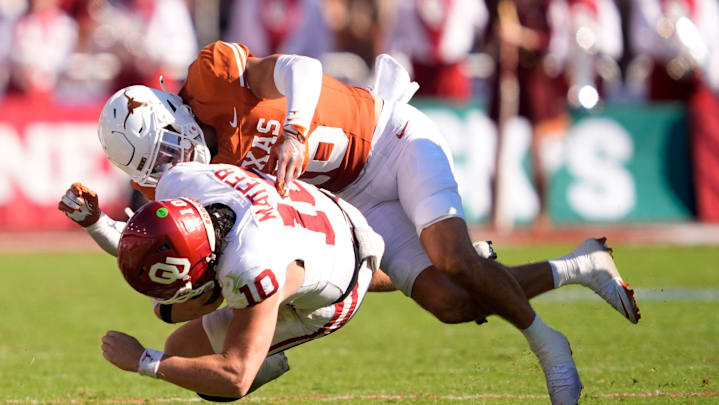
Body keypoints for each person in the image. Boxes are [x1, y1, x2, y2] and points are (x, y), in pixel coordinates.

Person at [60, 41, 640, 404]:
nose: (169, 167)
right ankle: (578, 266)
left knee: (454, 258)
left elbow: (303, 70)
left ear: (168, 117)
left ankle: (551, 349)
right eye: (154, 169)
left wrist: (292, 131)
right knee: (451, 301)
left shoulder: (212, 79)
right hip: (351, 201)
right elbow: (157, 248)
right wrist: (96, 223)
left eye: (164, 151)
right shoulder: (178, 179)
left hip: (388, 137)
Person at [101, 161, 384, 400]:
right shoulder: (182, 181)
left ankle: (262, 350)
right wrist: (96, 223)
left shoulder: (250, 266)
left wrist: (143, 360)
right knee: (178, 331)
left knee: (187, 356)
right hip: (333, 212)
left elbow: (235, 377)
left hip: (341, 284)